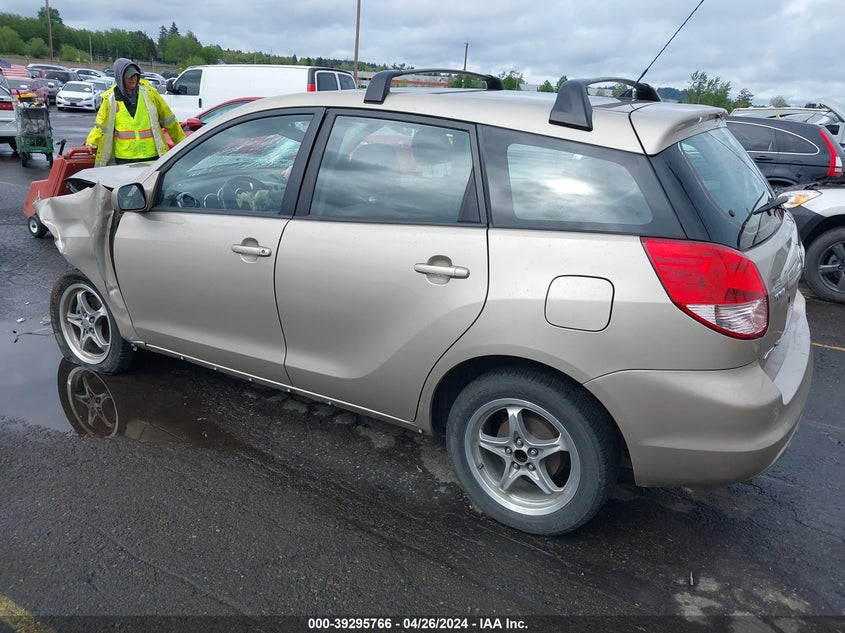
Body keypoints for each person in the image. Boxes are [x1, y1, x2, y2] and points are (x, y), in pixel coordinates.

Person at [85, 58, 185, 166]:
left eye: (135, 75)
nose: (133, 79)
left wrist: (183, 143)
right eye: (129, 76)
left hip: (151, 155)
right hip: (124, 158)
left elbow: (170, 120)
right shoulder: (110, 99)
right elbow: (101, 125)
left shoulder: (150, 94)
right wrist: (91, 142)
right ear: (120, 77)